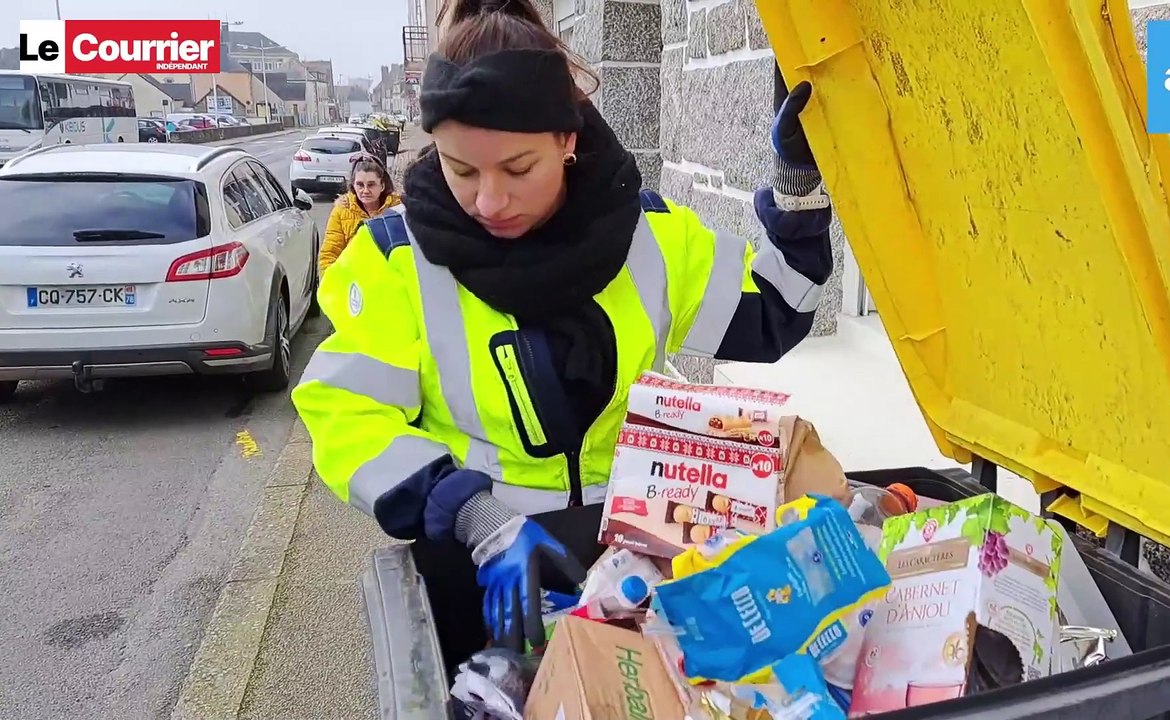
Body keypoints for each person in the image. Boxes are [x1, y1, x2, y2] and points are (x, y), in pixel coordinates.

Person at [292, 0, 833, 663]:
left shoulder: (649, 239)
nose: (489, 200)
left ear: (568, 140)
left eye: (517, 169)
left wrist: (800, 186)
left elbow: (774, 309)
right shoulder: (396, 259)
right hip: (485, 573)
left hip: (633, 573)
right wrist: (469, 513)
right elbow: (343, 412)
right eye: (462, 170)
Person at [318, 157, 401, 273]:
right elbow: (329, 255)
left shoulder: (398, 209)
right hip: (354, 285)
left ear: (382, 185)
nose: (365, 190)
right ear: (353, 185)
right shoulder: (341, 211)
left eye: (371, 185)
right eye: (360, 185)